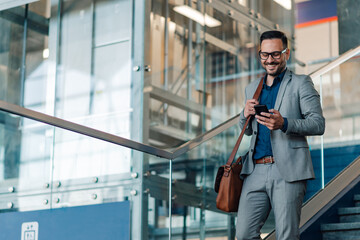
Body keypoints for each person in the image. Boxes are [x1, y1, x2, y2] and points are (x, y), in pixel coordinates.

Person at [236, 30, 325, 240]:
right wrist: (244, 114)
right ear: (260, 55)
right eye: (265, 55)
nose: (270, 60)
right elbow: (247, 130)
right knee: (244, 234)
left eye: (276, 54)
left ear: (287, 54)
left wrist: (284, 123)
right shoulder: (252, 88)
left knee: (286, 235)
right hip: (254, 170)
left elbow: (318, 124)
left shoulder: (301, 83)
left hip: (287, 170)